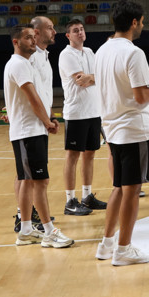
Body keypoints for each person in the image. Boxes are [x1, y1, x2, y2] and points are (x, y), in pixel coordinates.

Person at [93, 0, 149, 266]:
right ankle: (123, 249)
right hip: (133, 129)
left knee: (118, 187)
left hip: (113, 128)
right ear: (135, 22)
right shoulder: (133, 52)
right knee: (131, 190)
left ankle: (107, 244)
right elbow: (140, 96)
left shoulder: (102, 50)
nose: (143, 24)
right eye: (142, 20)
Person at [4, 25, 74, 248]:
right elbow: (32, 97)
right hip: (28, 130)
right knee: (40, 181)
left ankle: (25, 230)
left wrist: (48, 118)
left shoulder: (23, 64)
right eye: (28, 38)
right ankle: (49, 232)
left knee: (28, 180)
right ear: (16, 42)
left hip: (30, 130)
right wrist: (47, 121)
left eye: (34, 37)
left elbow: (36, 98)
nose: (33, 41)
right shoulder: (18, 64)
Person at [58, 18, 107, 216]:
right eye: (76, 30)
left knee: (90, 154)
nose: (80, 32)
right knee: (72, 155)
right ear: (68, 35)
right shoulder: (66, 55)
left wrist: (95, 77)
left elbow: (98, 77)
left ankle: (87, 196)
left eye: (82, 29)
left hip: (94, 111)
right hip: (77, 113)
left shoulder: (89, 52)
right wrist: (96, 77)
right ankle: (70, 200)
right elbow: (81, 81)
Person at [13, 16, 57, 232]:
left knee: (28, 173)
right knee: (27, 175)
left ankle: (29, 216)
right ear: (37, 33)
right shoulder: (28, 59)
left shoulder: (43, 56)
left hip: (40, 122)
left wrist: (50, 116)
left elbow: (43, 92)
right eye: (50, 28)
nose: (54, 31)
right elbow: (28, 93)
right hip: (30, 124)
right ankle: (24, 217)